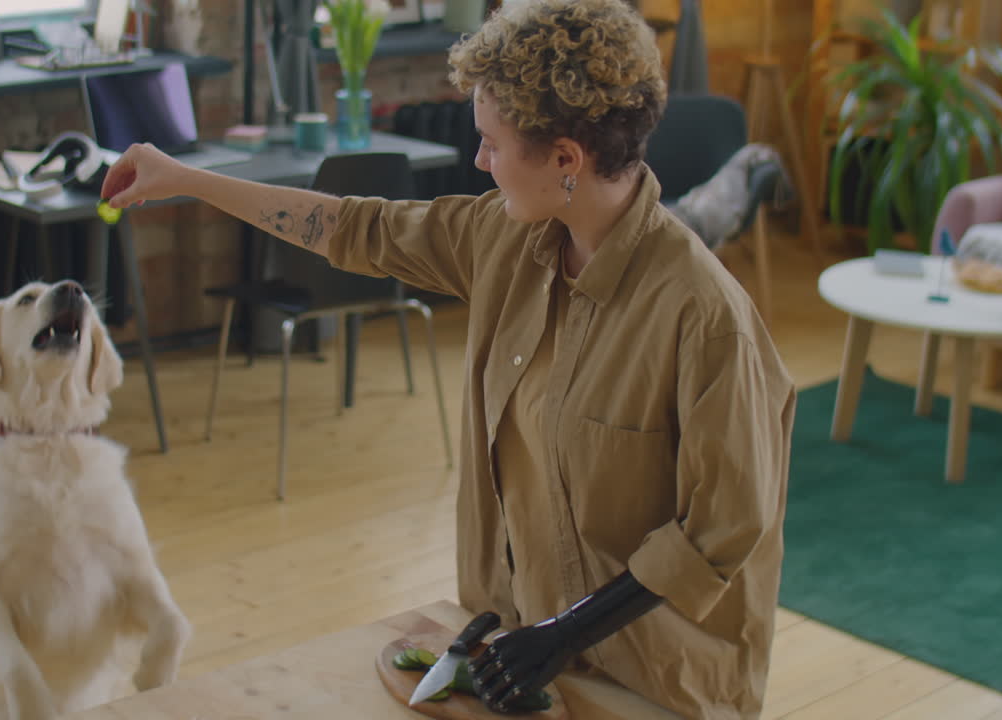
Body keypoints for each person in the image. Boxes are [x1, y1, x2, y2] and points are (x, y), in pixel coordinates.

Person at [100, 0, 796, 717]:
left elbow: (720, 532)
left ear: (565, 159)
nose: (479, 161)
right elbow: (356, 229)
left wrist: (564, 633)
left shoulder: (705, 320)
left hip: (659, 682)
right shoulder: (504, 240)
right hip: (529, 653)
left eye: (492, 143)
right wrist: (186, 179)